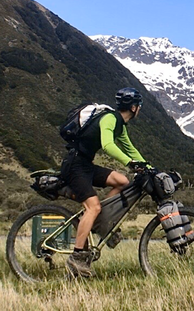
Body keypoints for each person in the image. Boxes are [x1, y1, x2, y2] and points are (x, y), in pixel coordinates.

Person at [61, 87, 149, 277]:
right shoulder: (110, 118)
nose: (139, 109)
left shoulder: (120, 125)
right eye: (139, 106)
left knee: (123, 181)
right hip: (75, 166)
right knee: (93, 207)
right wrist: (130, 163)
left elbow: (131, 150)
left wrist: (148, 167)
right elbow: (108, 145)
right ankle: (76, 259)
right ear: (134, 108)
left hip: (86, 165)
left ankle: (101, 224)